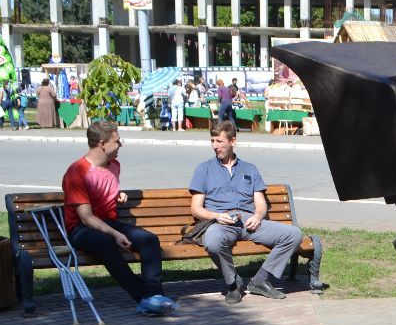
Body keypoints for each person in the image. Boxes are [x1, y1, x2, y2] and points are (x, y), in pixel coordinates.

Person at [62, 121, 177, 315]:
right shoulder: (76, 173)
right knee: (105, 242)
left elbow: (102, 186)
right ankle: (142, 296)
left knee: (149, 240)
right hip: (81, 229)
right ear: (102, 144)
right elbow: (86, 217)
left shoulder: (114, 165)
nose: (121, 145)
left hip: (107, 223)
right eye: (117, 141)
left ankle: (155, 294)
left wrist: (116, 194)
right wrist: (115, 234)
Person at [189, 121, 304, 303]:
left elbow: (260, 203)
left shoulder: (249, 168)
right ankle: (234, 283)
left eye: (219, 141)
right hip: (221, 222)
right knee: (212, 241)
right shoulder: (204, 169)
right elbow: (196, 209)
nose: (215, 146)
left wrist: (258, 216)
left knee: (293, 234)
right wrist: (216, 216)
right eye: (212, 141)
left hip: (249, 221)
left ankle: (260, 281)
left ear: (233, 141)